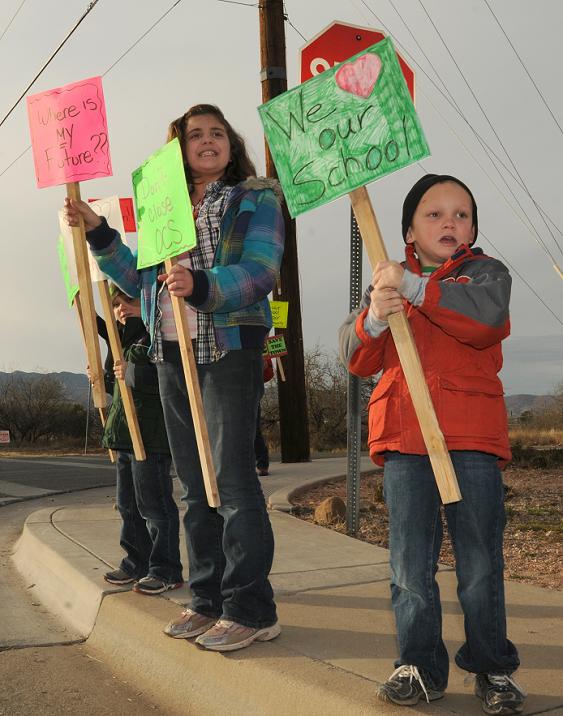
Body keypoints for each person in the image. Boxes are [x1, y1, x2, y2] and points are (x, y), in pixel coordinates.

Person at [64, 104, 284, 652]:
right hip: (169, 353)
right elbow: (137, 278)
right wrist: (97, 232)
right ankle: (208, 600)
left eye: (217, 133)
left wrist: (202, 283)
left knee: (231, 482)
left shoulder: (254, 197)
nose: (207, 141)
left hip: (228, 348)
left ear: (231, 144)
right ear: (178, 150)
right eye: (194, 135)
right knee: (193, 487)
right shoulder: (165, 206)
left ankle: (251, 608)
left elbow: (262, 270)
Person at [339, 174, 525, 715]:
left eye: (461, 214)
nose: (449, 222)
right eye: (434, 214)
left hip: (469, 439)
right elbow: (355, 356)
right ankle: (418, 666)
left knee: (480, 563)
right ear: (408, 231)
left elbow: (485, 321)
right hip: (404, 438)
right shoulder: (388, 285)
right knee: (409, 565)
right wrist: (376, 313)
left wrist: (419, 289)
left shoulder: (484, 275)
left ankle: (492, 667)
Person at [96, 286, 183, 595]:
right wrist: (105, 376)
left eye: (128, 301)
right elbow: (120, 386)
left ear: (146, 300)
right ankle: (137, 562)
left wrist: (131, 371)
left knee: (154, 505)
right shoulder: (125, 340)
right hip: (126, 436)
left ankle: (166, 568)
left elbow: (169, 379)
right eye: (117, 304)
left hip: (151, 437)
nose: (122, 309)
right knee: (128, 505)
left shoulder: (160, 333)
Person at [255, 354, 274, 477]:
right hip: (227, 392)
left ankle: (262, 465)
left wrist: (265, 365)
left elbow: (268, 374)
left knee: (254, 430)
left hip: (251, 392)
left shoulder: (260, 348)